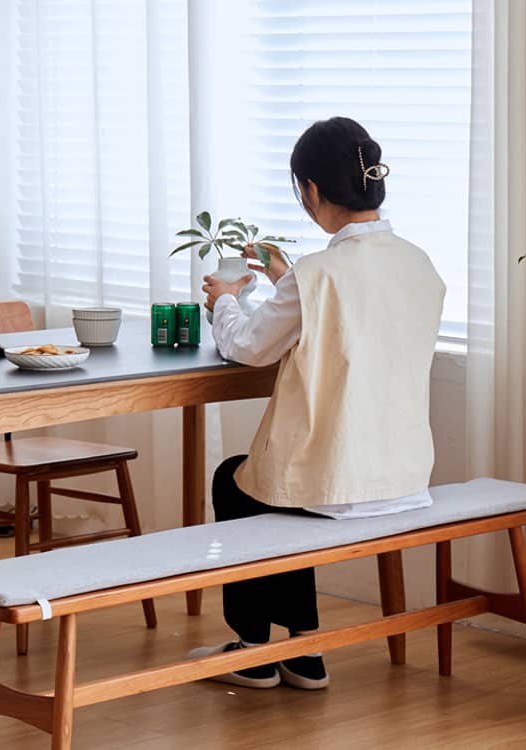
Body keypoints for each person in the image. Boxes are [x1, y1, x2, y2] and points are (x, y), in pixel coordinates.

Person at [189, 116, 446, 690]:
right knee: (277, 486)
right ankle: (305, 650)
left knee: (240, 483)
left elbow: (248, 348)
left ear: (310, 191)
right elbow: (356, 318)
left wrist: (228, 300)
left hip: (339, 485)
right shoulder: (418, 264)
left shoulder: (317, 275)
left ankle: (253, 652)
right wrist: (289, 280)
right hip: (404, 474)